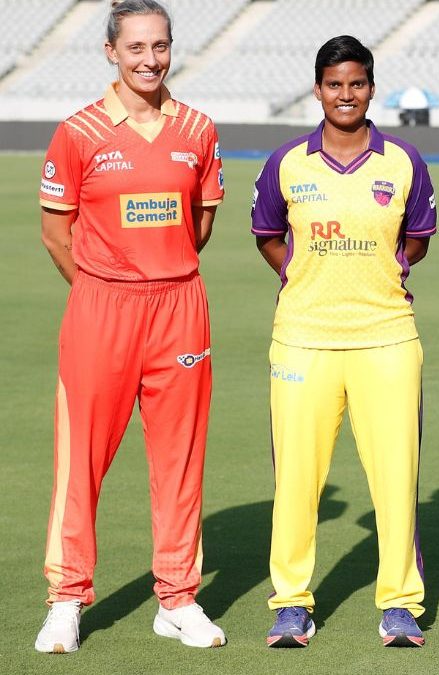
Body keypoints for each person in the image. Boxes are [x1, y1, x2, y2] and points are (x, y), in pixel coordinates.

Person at [34, 0, 226, 654]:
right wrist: (103, 283)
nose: (150, 59)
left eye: (161, 46)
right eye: (137, 47)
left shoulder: (198, 127)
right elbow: (56, 233)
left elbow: (199, 225)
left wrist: (157, 270)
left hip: (179, 307)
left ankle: (177, 597)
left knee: (179, 459)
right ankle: (67, 598)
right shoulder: (79, 130)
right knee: (80, 460)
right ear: (111, 52)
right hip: (100, 309)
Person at [251, 35, 436, 649]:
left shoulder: (404, 160)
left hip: (386, 338)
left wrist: (391, 272)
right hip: (303, 339)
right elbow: (268, 235)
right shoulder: (287, 163)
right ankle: (291, 603)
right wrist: (297, 274)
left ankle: (401, 603)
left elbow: (418, 239)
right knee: (298, 480)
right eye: (335, 84)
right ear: (318, 89)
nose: (346, 94)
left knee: (394, 478)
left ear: (371, 88)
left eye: (356, 83)